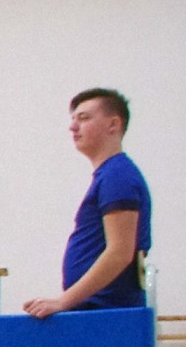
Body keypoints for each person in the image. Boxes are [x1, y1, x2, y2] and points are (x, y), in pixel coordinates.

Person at [26, 86, 151, 317]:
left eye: (83, 118)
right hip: (99, 313)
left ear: (113, 124)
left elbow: (120, 252)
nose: (73, 127)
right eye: (73, 119)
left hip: (109, 315)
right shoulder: (110, 175)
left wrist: (63, 302)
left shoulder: (117, 175)